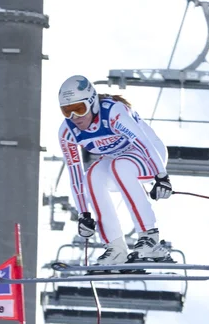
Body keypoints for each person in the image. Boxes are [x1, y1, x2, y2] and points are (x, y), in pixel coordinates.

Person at [57, 75, 174, 267]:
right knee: (92, 175)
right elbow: (75, 173)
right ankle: (115, 248)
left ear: (93, 103)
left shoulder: (113, 113)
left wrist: (161, 176)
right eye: (67, 111)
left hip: (150, 155)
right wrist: (83, 214)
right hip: (118, 160)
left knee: (120, 166)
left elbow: (143, 143)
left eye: (79, 109)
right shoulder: (67, 131)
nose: (74, 117)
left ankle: (149, 238)